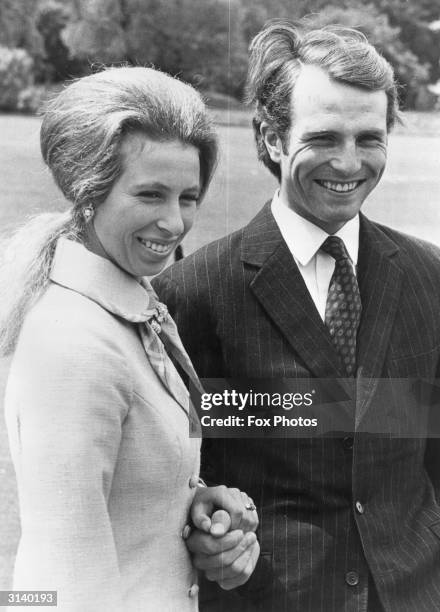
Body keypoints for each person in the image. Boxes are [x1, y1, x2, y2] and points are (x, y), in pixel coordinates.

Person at [152, 21, 440, 612]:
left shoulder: (430, 275)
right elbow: (180, 482)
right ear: (273, 137)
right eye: (325, 137)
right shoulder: (193, 293)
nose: (350, 162)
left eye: (369, 137)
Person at [0, 66, 259, 612]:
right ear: (87, 190)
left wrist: (188, 504)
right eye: (150, 194)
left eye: (188, 197)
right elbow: (58, 584)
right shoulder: (73, 344)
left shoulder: (128, 306)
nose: (174, 223)